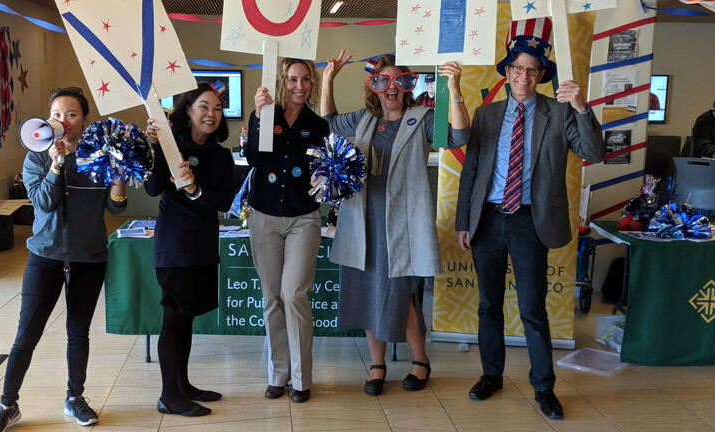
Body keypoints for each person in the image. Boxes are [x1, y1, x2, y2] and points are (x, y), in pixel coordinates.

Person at [454, 18, 604, 420]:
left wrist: (581, 107)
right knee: (489, 306)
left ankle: (544, 387)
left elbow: (594, 152)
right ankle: (491, 375)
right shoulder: (486, 115)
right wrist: (463, 222)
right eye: (517, 68)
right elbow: (471, 170)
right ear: (507, 72)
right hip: (487, 218)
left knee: (532, 309)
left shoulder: (559, 113)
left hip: (529, 222)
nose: (523, 76)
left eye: (531, 70)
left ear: (541, 76)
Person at [321, 51, 470, 396]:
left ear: (407, 87)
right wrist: (328, 79)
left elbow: (459, 137)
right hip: (361, 221)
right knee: (365, 292)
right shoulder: (363, 121)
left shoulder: (423, 118)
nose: (391, 87)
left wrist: (455, 88)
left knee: (399, 296)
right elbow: (328, 122)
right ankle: (377, 364)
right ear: (373, 87)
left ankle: (420, 360)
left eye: (399, 81)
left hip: (399, 225)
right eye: (382, 81)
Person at [0, 87, 128, 431]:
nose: (63, 121)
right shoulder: (36, 156)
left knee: (78, 333)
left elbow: (116, 206)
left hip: (88, 257)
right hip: (45, 256)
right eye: (57, 114)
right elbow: (45, 202)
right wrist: (55, 162)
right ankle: (7, 405)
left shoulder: (100, 156)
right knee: (26, 335)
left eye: (72, 114)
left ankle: (75, 398)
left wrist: (120, 176)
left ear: (84, 120)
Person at [144, 82, 235, 416]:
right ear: (188, 110)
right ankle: (169, 395)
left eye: (216, 108)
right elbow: (153, 188)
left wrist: (196, 188)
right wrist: (155, 148)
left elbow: (226, 200)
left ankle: (183, 385)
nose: (211, 114)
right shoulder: (171, 144)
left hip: (203, 245)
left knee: (188, 319)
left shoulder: (221, 155)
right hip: (175, 246)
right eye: (203, 107)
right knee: (174, 318)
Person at [247, 58, 329, 403]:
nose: (300, 86)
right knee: (272, 298)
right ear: (283, 81)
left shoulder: (318, 124)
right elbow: (252, 157)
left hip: (303, 220)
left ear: (312, 84)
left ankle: (301, 378)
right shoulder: (267, 116)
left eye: (306, 79)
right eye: (293, 79)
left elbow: (327, 168)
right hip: (264, 217)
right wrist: (256, 115)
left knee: (294, 294)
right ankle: (278, 375)